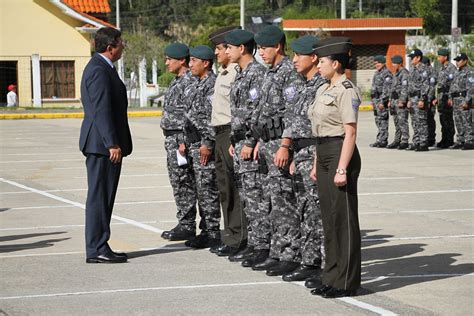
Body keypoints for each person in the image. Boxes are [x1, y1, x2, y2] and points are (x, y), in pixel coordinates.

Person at [308, 37, 362, 298]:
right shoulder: (323, 89)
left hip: (342, 153)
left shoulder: (346, 89)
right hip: (325, 152)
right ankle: (330, 276)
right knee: (329, 219)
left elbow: (350, 133)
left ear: (336, 63)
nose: (318, 66)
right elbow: (320, 132)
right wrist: (318, 164)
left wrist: (342, 168)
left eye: (322, 62)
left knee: (344, 220)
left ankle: (346, 281)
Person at [251, 25, 303, 276]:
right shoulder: (270, 73)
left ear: (278, 47)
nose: (260, 52)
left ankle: (291, 253)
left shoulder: (288, 74)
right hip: (268, 144)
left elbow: (292, 114)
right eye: (259, 48)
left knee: (284, 200)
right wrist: (260, 140)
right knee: (273, 200)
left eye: (264, 48)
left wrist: (285, 145)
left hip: (281, 146)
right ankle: (278, 250)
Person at [79, 27, 132, 264]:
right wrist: (112, 142)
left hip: (102, 143)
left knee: (103, 197)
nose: (123, 47)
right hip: (102, 145)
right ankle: (97, 247)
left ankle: (100, 244)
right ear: (110, 48)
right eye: (121, 43)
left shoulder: (103, 67)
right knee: (100, 197)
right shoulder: (99, 70)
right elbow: (101, 110)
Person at [280, 35, 327, 286]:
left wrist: (314, 158)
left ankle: (323, 264)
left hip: (314, 153)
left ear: (315, 58)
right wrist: (289, 148)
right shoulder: (301, 84)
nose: (294, 60)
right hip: (300, 154)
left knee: (318, 212)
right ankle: (308, 261)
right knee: (304, 210)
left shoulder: (322, 85)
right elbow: (292, 120)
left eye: (299, 55)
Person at [223, 29, 269, 264]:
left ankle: (262, 246)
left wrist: (250, 141)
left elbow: (258, 112)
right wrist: (234, 140)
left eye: (229, 47)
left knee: (256, 196)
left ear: (242, 48)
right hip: (240, 142)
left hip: (250, 144)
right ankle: (254, 242)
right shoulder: (241, 74)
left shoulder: (257, 74)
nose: (226, 51)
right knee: (247, 197)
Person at [207, 26, 248, 256]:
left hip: (230, 133)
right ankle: (231, 233)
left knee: (234, 187)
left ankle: (239, 237)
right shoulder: (223, 73)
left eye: (219, 48)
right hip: (219, 133)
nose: (216, 53)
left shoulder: (235, 73)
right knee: (224, 187)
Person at [182, 45, 221, 248]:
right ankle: (205, 229)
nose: (190, 65)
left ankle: (212, 232)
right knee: (200, 188)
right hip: (192, 143)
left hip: (204, 145)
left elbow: (211, 118)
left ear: (205, 63)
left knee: (207, 189)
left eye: (194, 61)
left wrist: (207, 143)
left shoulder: (211, 85)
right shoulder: (196, 84)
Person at [160, 43, 199, 241]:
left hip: (180, 139)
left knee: (185, 181)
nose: (166, 62)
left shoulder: (189, 82)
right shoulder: (178, 81)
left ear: (181, 60)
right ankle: (185, 222)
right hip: (172, 139)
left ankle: (188, 225)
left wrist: (183, 140)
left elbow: (190, 115)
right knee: (179, 182)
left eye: (169, 59)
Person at [448, 53, 473, 150]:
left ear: (465, 61)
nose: (457, 62)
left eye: (459, 60)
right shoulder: (457, 72)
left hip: (463, 99)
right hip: (455, 100)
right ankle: (461, 140)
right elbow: (452, 86)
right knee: (458, 121)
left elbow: (471, 88)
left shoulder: (470, 72)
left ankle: (469, 141)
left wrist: (467, 101)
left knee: (466, 120)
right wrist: (450, 97)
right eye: (456, 60)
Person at [407, 49, 431, 151]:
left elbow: (426, 85)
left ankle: (423, 142)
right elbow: (410, 86)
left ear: (418, 58)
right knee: (415, 121)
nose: (411, 59)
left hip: (419, 98)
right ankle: (417, 141)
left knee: (422, 121)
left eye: (413, 58)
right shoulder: (412, 69)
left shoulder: (424, 69)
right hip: (412, 99)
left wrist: (422, 99)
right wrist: (408, 99)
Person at [434, 48, 456, 148]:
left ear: (445, 57)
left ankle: (449, 140)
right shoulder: (443, 68)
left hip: (447, 97)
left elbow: (453, 85)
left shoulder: (451, 68)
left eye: (440, 56)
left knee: (448, 119)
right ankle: (444, 139)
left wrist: (450, 97)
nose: (438, 58)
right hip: (441, 97)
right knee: (443, 119)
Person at [370, 55, 393, 148]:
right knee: (378, 121)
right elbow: (373, 88)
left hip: (381, 101)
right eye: (375, 63)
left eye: (378, 63)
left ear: (383, 63)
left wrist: (382, 102)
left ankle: (383, 140)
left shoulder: (387, 74)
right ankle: (379, 139)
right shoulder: (376, 73)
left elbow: (387, 89)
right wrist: (373, 101)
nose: (377, 65)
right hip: (376, 100)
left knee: (383, 120)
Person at [387, 55, 410, 149]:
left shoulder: (404, 73)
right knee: (397, 122)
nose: (393, 65)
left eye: (395, 63)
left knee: (402, 121)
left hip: (400, 101)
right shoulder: (396, 73)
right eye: (392, 63)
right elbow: (392, 88)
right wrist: (390, 100)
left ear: (400, 63)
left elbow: (405, 88)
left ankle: (405, 140)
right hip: (394, 101)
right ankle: (397, 140)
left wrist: (402, 100)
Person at [422, 56, 437, 147]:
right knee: (425, 120)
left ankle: (431, 139)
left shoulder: (432, 72)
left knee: (430, 119)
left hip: (430, 100)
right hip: (425, 99)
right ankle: (426, 138)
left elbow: (432, 87)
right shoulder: (425, 71)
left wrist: (429, 99)